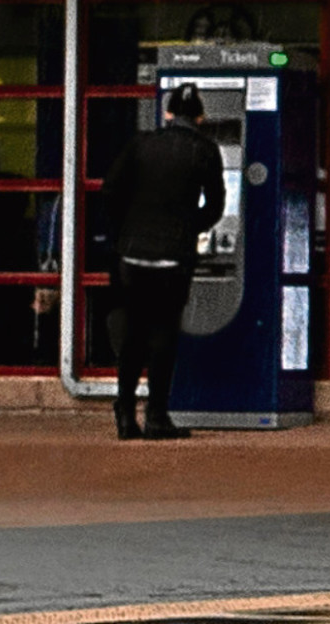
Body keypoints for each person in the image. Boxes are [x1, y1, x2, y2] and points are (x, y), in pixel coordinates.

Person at [99, 83, 225, 441]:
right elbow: (215, 207)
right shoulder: (205, 150)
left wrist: (126, 229)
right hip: (173, 259)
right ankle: (156, 417)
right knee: (163, 337)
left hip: (131, 256)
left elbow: (110, 190)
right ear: (199, 118)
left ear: (167, 114)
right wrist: (187, 229)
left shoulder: (141, 143)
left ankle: (124, 413)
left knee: (133, 335)